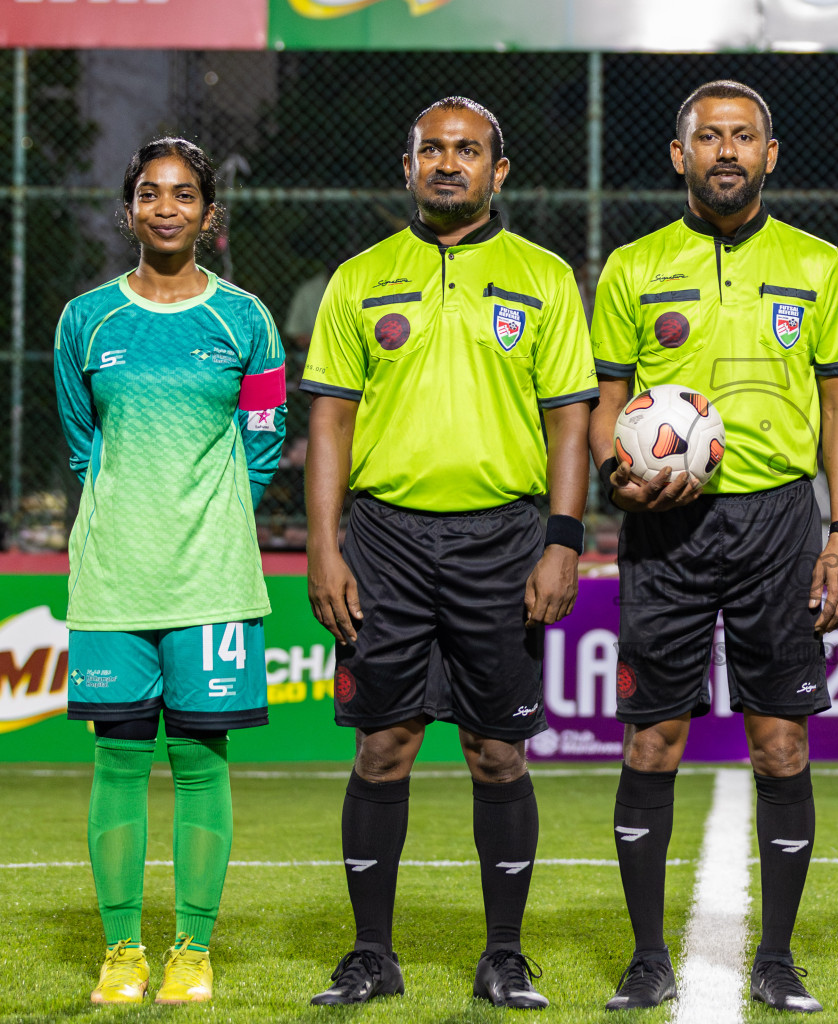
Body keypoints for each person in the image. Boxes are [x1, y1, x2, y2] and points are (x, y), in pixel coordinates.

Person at [300, 96, 596, 1009]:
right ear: (408, 164)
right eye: (432, 148)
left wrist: (561, 543)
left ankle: (503, 954)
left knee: (496, 753)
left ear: (497, 174)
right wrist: (323, 546)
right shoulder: (359, 278)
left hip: (504, 541)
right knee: (383, 747)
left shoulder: (543, 279)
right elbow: (332, 420)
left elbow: (570, 423)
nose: (448, 163)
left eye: (468, 151)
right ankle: (369, 956)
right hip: (383, 540)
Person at [588, 79, 838, 1013]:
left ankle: (777, 957)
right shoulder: (632, 265)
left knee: (781, 739)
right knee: (653, 736)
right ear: (680, 156)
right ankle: (644, 956)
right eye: (708, 137)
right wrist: (614, 476)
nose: (726, 151)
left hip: (781, 521)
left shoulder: (819, 264)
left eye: (743, 136)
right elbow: (604, 402)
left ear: (770, 154)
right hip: (664, 526)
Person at [55, 137, 286, 1005]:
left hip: (212, 580)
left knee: (200, 759)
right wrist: (131, 519)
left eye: (183, 194)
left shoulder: (247, 319)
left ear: (207, 214)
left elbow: (264, 441)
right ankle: (122, 951)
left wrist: (214, 514)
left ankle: (191, 948)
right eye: (149, 193)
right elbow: (84, 446)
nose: (165, 207)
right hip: (114, 577)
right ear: (129, 211)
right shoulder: (86, 320)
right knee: (117, 760)